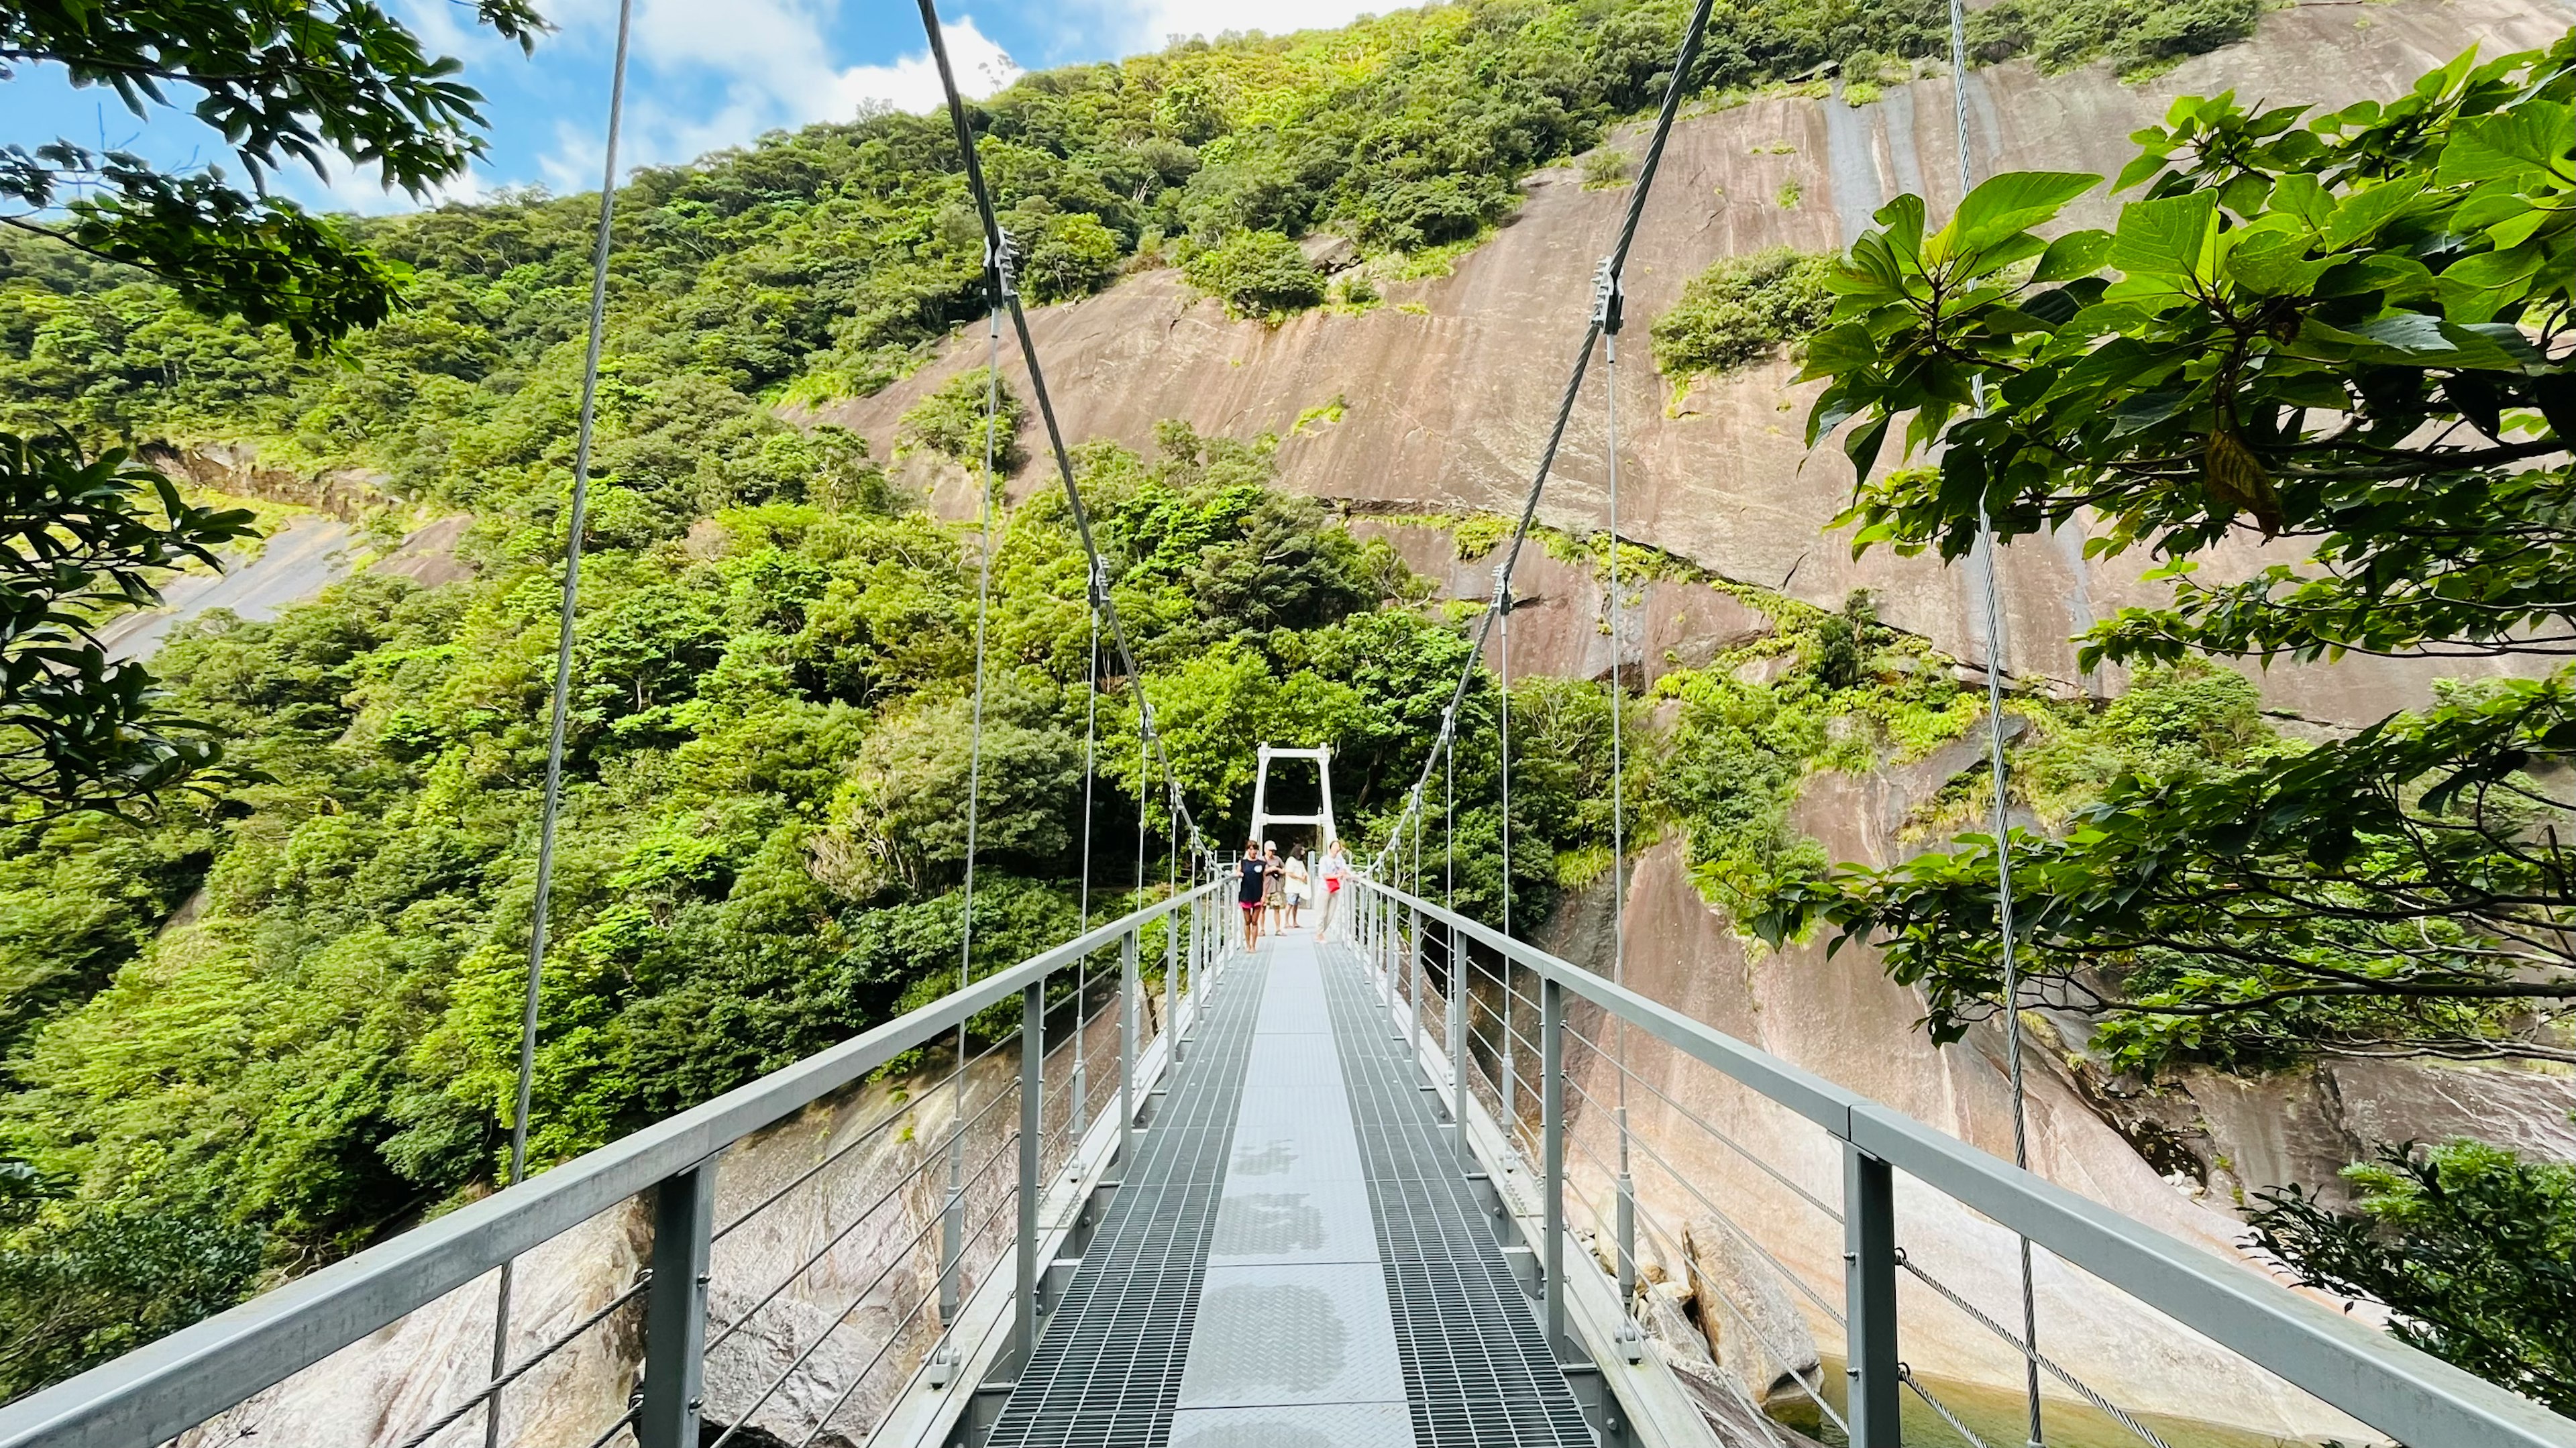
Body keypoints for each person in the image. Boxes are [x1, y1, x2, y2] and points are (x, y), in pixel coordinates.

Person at [1237, 840, 1269, 950]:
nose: (1253, 851)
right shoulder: (1243, 862)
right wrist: (1239, 874)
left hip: (1258, 894)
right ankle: (1247, 944)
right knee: (1247, 921)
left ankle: (1253, 946)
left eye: (1255, 849)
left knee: (1255, 921)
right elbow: (1238, 872)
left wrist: (1264, 895)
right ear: (1247, 850)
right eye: (1251, 849)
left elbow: (1265, 880)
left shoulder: (1262, 864)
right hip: (1246, 894)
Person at [1315, 839, 1347, 940]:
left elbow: (1344, 871)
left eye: (1338, 846)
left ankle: (1321, 932)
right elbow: (1325, 875)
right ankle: (1319, 934)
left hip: (1335, 888)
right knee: (1322, 912)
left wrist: (1345, 874)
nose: (1337, 848)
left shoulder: (1340, 860)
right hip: (1325, 888)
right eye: (1335, 846)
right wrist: (1338, 875)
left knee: (1331, 913)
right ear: (1330, 848)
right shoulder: (1324, 859)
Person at [1283, 848, 1310, 928]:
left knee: (1296, 905)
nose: (1304, 852)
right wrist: (1300, 878)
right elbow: (1289, 873)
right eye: (1302, 850)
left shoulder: (1300, 862)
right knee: (1290, 904)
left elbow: (1304, 872)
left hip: (1299, 887)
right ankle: (1286, 922)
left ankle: (1295, 922)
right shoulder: (1291, 860)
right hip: (1292, 887)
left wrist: (1305, 877)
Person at [1262, 840, 1284, 931]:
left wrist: (1278, 870)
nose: (1272, 852)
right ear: (1265, 850)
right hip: (1264, 889)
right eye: (1270, 850)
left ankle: (1278, 929)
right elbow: (1259, 872)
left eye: (1273, 851)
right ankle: (1262, 929)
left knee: (1277, 909)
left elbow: (1284, 870)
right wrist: (1271, 869)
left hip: (1276, 888)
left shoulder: (1277, 859)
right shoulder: (1261, 860)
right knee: (1262, 910)